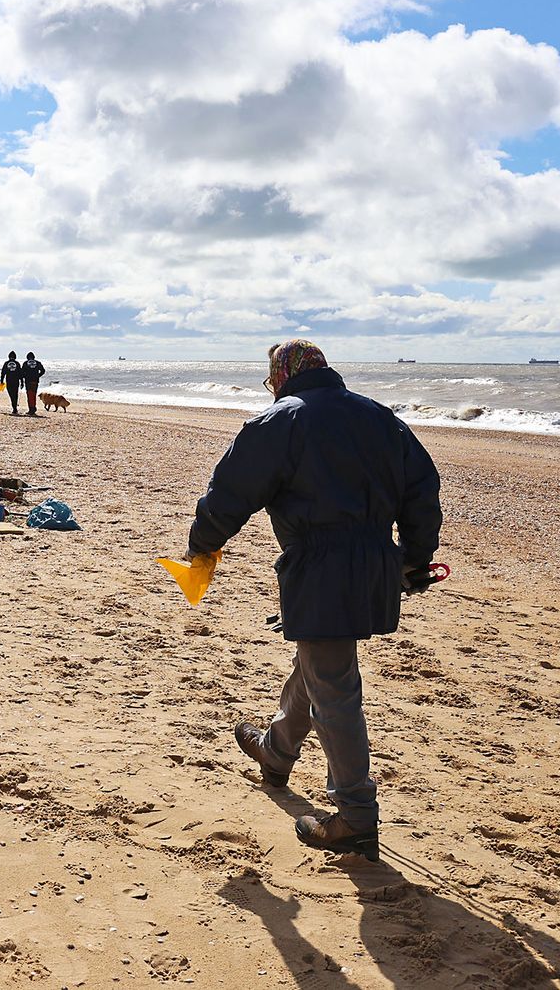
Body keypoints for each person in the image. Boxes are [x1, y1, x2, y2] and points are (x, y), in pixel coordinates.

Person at [186, 340, 442, 861]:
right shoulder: (381, 418)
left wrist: (201, 547)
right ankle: (277, 752)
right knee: (321, 662)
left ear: (281, 376)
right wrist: (412, 559)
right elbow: (423, 491)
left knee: (335, 687)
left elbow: (230, 491)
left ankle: (354, 816)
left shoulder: (280, 421)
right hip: (376, 563)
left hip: (321, 565)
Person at [20, 351, 46, 416]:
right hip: (35, 381)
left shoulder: (25, 363)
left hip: (28, 381)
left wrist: (24, 377)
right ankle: (33, 408)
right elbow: (43, 370)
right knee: (34, 394)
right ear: (34, 357)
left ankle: (31, 409)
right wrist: (38, 375)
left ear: (27, 358)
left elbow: (22, 372)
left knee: (29, 395)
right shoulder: (38, 363)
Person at [0, 351, 22, 415]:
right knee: (15, 394)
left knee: (11, 394)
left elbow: (3, 372)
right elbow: (20, 373)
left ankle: (14, 407)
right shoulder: (17, 363)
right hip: (16, 381)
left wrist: (1, 381)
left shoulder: (6, 363)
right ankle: (15, 407)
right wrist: (22, 382)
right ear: (15, 357)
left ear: (9, 356)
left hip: (9, 381)